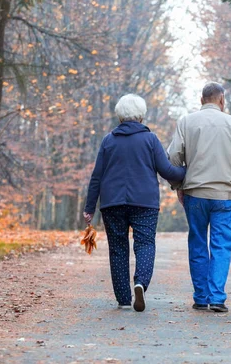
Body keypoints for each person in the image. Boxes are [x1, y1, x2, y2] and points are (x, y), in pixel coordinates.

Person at [83, 94, 186, 312]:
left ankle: (123, 298)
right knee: (145, 243)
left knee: (118, 249)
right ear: (141, 114)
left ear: (119, 115)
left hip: (112, 203)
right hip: (144, 202)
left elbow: (97, 176)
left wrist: (89, 207)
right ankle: (140, 282)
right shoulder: (150, 139)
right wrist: (188, 171)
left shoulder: (108, 140)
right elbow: (166, 171)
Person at [168, 82, 231, 313]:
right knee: (221, 246)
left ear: (201, 100)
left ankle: (200, 297)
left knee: (197, 242)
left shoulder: (186, 122)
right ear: (222, 100)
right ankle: (217, 298)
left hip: (195, 195)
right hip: (226, 196)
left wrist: (178, 185)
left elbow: (173, 157)